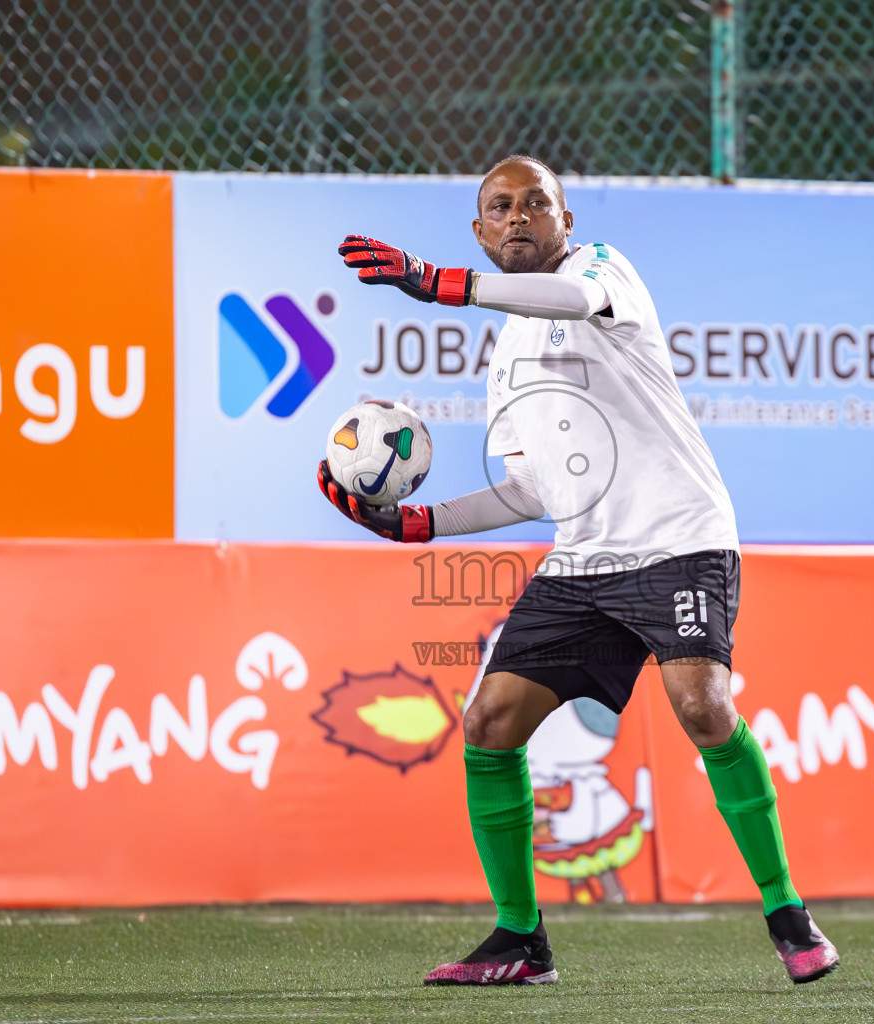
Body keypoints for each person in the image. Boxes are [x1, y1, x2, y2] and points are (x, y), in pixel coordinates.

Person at [319, 155, 838, 987]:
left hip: (679, 538)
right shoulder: (508, 354)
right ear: (481, 231)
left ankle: (787, 911)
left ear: (566, 219)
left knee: (703, 707)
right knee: (489, 724)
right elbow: (533, 486)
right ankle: (520, 940)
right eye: (501, 207)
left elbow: (568, 299)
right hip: (584, 559)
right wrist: (423, 524)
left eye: (537, 203)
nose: (520, 216)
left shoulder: (599, 270)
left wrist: (433, 283)